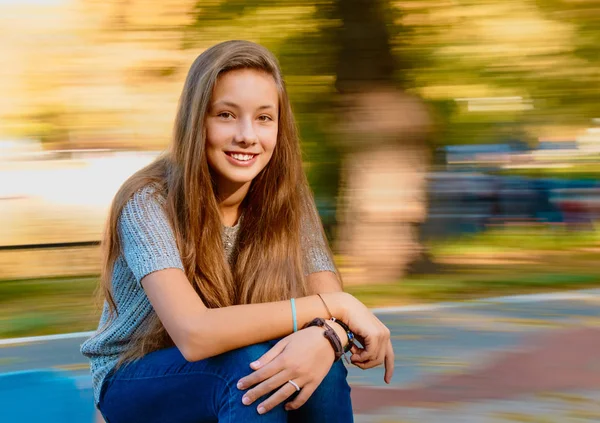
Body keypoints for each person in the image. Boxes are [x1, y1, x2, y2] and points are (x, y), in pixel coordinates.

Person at [81, 40, 394, 423]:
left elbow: (331, 312)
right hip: (134, 379)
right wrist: (340, 309)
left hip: (231, 363)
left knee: (317, 362)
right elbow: (195, 334)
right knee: (248, 370)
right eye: (226, 115)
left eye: (264, 118)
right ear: (197, 121)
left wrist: (329, 337)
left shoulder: (288, 199)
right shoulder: (148, 201)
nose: (247, 135)